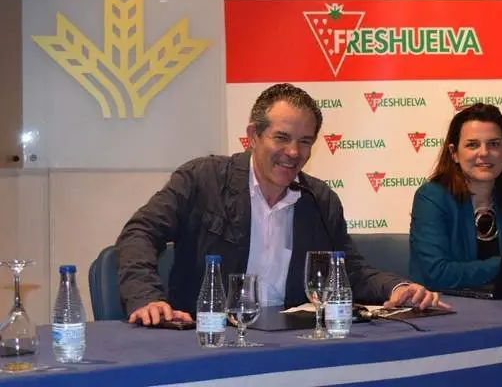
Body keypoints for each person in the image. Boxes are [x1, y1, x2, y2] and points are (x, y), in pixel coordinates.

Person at [116, 83, 450, 326]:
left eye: (304, 142)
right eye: (281, 137)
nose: (293, 152)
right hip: (209, 339)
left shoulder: (320, 199)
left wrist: (398, 287)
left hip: (291, 342)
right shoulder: (203, 179)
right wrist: (147, 298)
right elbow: (139, 232)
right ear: (253, 136)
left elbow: (349, 270)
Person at [408, 103, 502, 290]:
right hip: (447, 304)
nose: (484, 153)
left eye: (494, 144)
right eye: (472, 145)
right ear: (454, 153)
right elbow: (437, 274)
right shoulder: (431, 197)